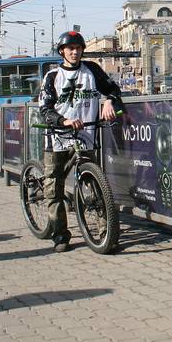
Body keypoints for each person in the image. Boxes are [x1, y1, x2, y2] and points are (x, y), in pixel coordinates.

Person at [38, 31, 123, 252]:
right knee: (53, 188)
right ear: (62, 51)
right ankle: (60, 235)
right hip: (57, 138)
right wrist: (63, 121)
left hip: (86, 137)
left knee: (95, 187)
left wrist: (109, 101)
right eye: (70, 49)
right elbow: (45, 110)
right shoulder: (52, 76)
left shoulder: (92, 70)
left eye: (78, 48)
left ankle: (106, 233)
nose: (75, 52)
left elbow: (113, 88)